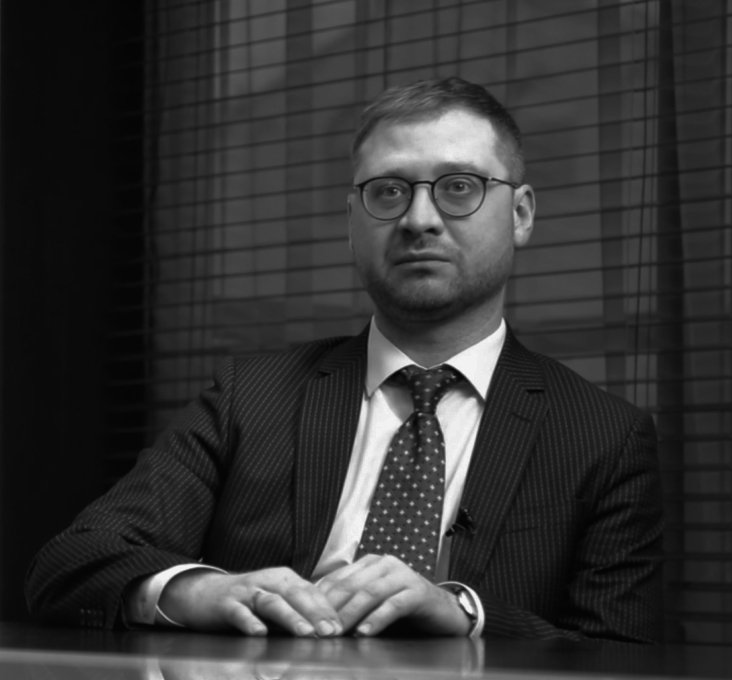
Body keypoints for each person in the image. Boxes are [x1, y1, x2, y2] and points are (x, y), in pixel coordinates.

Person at [26, 78, 664, 642]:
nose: (419, 219)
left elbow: (623, 659)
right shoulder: (250, 397)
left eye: (459, 187)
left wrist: (468, 617)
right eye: (387, 192)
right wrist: (200, 593)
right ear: (351, 221)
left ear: (520, 214)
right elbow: (72, 563)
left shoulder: (604, 437)